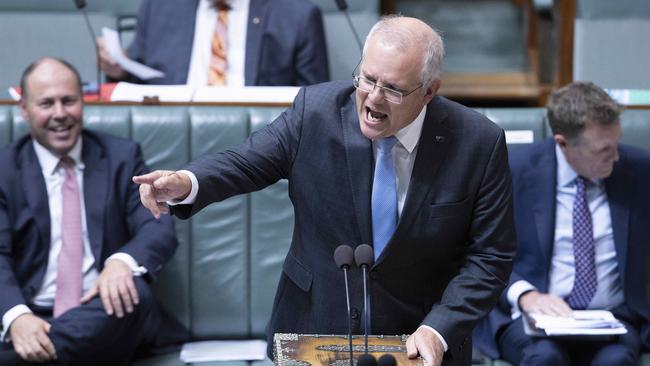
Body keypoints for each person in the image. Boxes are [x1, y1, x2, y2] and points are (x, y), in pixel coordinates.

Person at [134, 15, 516, 366]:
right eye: (367, 79)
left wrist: (439, 328)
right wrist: (187, 182)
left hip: (420, 339)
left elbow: (491, 256)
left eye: (393, 89)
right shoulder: (314, 112)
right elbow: (245, 161)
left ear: (430, 91)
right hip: (314, 326)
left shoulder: (477, 143)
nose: (373, 98)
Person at [0, 58, 186, 365]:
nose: (60, 114)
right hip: (32, 311)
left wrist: (121, 262)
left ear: (82, 102)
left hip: (104, 312)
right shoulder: (4, 169)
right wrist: (18, 317)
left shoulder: (122, 158)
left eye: (69, 101)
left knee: (133, 293)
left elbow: (157, 226)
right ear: (24, 110)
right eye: (46, 103)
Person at [474, 81, 650, 365]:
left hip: (613, 318)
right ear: (562, 143)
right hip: (534, 317)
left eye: (616, 144)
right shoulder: (512, 171)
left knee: (615, 361)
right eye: (604, 150)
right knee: (545, 358)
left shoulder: (639, 170)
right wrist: (526, 295)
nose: (615, 157)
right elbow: (479, 250)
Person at [97, 0, 330, 87]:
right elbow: (136, 82)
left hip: (261, 142)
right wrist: (118, 70)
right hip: (174, 132)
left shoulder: (297, 15)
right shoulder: (159, 7)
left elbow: (316, 102)